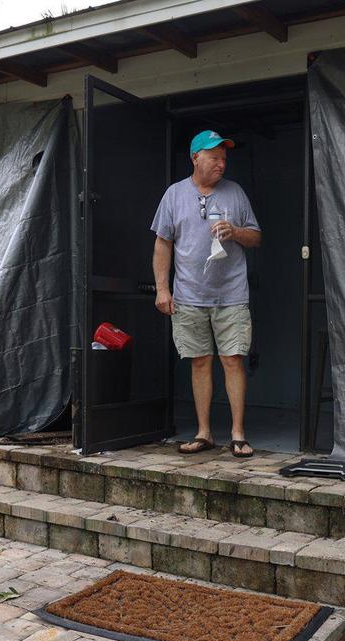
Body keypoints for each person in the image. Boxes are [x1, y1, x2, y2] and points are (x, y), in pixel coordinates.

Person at [151, 130, 262, 458]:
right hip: (189, 295)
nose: (221, 164)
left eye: (224, 158)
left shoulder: (235, 193)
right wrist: (162, 288)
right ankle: (204, 433)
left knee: (233, 360)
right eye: (214, 157)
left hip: (231, 294)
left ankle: (238, 434)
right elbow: (162, 243)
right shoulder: (173, 195)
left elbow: (256, 237)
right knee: (199, 362)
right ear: (195, 157)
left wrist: (236, 232)